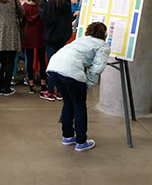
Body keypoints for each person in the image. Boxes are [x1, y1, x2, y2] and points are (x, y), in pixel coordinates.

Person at [46, 22, 110, 152]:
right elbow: (97, 68)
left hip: (54, 68)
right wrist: (87, 84)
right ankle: (81, 141)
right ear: (104, 34)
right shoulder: (103, 46)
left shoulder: (81, 39)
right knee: (79, 105)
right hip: (71, 71)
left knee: (68, 102)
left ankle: (67, 136)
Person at [40, 0, 74, 101]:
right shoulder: (67, 2)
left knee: (51, 64)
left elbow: (46, 19)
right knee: (61, 65)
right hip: (63, 36)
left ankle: (50, 91)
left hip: (51, 37)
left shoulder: (51, 3)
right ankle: (60, 91)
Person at [22, 0, 47, 93]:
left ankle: (31, 84)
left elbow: (22, 20)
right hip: (40, 34)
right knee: (42, 60)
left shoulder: (25, 6)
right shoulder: (42, 6)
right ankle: (43, 84)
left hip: (28, 34)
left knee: (29, 60)